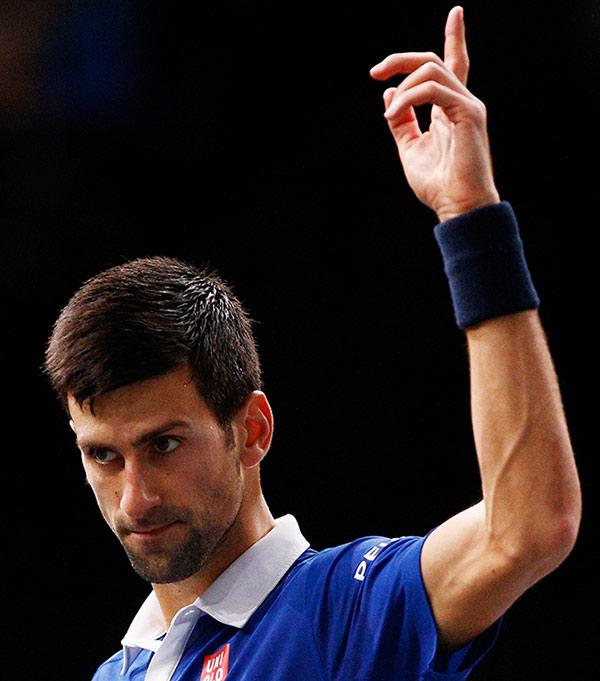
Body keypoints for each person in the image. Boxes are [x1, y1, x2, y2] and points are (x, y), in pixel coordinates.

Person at [44, 6, 581, 680]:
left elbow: (529, 527)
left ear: (253, 429)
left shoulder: (352, 604)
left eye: (164, 444)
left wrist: (470, 217)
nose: (135, 498)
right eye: (104, 455)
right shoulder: (113, 674)